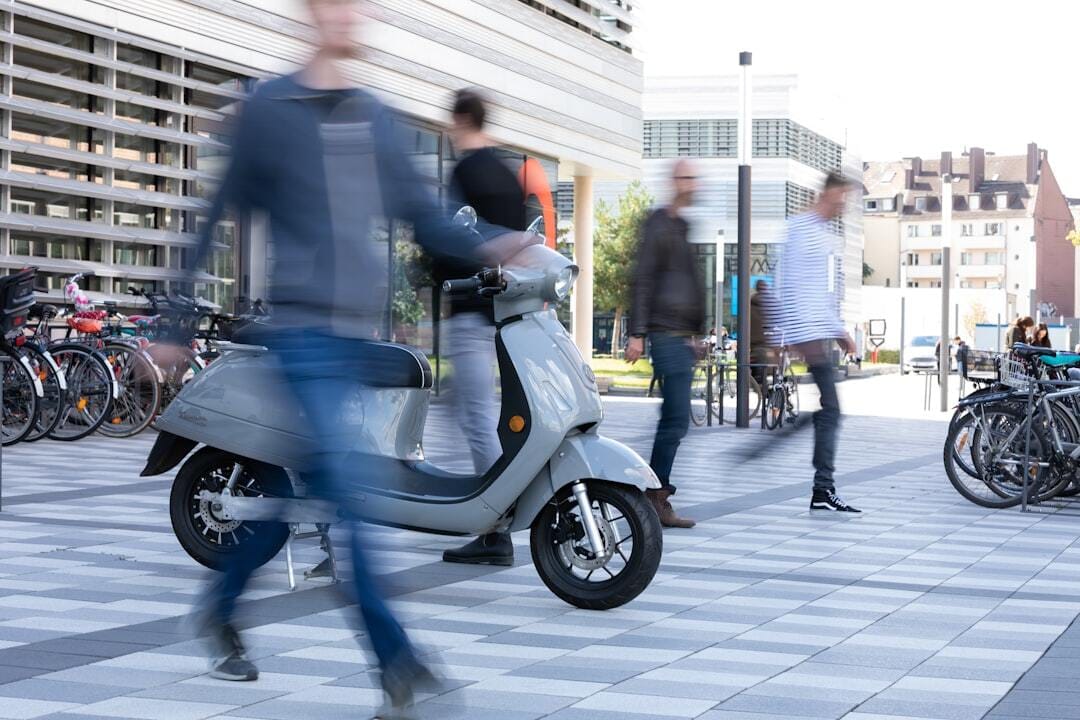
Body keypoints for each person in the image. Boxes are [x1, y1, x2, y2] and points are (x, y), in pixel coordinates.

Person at [188, 1, 533, 714]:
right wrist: (170, 315)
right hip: (303, 338)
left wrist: (491, 245)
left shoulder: (376, 117)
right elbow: (217, 209)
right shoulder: (270, 108)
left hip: (354, 345)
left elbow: (425, 215)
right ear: (313, 13)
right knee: (351, 499)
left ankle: (218, 605)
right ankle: (398, 667)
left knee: (312, 495)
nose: (356, 16)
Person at [440, 88, 526, 568]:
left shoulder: (466, 172)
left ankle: (496, 528)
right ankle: (480, 502)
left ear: (460, 121)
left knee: (474, 418)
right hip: (504, 313)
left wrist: (431, 277)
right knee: (473, 410)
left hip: (471, 309)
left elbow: (452, 239)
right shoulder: (508, 176)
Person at [772, 172, 860, 513]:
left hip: (816, 332)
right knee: (832, 410)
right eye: (842, 198)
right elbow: (791, 285)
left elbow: (821, 295)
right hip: (808, 333)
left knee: (830, 410)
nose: (844, 206)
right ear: (828, 194)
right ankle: (822, 488)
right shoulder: (802, 230)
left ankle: (822, 486)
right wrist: (794, 335)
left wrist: (839, 332)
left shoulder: (823, 234)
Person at [624, 159, 703, 529]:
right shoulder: (658, 223)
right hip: (662, 331)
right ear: (675, 181)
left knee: (675, 419)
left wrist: (695, 332)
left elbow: (686, 282)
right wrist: (637, 333)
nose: (694, 183)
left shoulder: (683, 226)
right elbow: (643, 278)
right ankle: (654, 496)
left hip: (679, 335)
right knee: (674, 417)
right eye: (688, 177)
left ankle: (655, 494)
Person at [749, 279, 773, 387]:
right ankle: (765, 393)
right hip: (763, 343)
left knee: (756, 369)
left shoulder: (749, 305)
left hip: (751, 344)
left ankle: (758, 387)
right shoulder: (766, 305)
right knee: (766, 368)